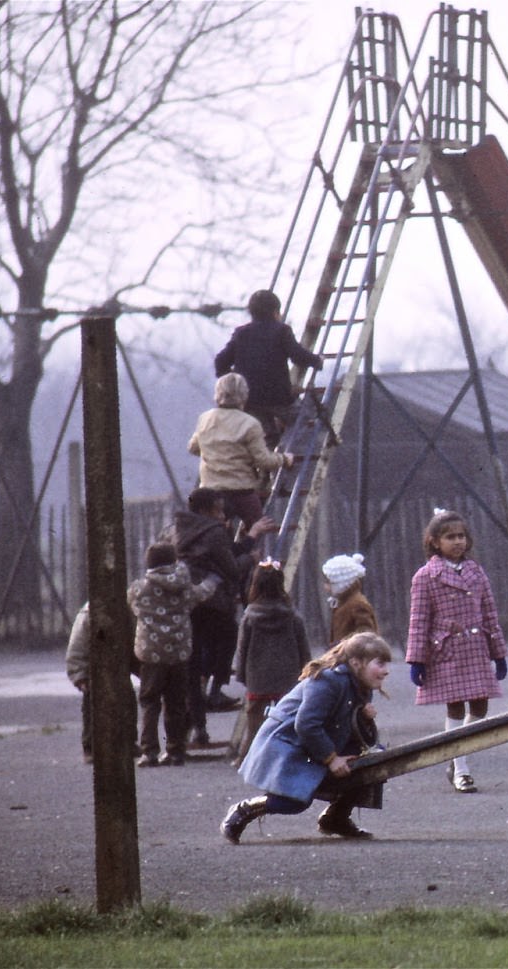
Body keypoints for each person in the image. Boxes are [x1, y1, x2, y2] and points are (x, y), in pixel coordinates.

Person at [222, 631, 392, 843]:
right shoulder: (328, 680)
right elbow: (306, 725)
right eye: (380, 664)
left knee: (376, 761)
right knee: (293, 803)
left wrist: (364, 719)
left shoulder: (361, 685)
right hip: (289, 745)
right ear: (356, 663)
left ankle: (336, 818)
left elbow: (353, 734)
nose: (386, 671)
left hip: (315, 745)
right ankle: (244, 810)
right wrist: (331, 759)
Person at [405, 509, 508, 793]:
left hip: (476, 649)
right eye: (450, 537)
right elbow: (418, 621)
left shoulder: (477, 572)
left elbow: (489, 613)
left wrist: (498, 653)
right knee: (455, 707)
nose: (458, 542)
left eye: (461, 536)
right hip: (447, 652)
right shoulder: (425, 576)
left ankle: (455, 757)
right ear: (435, 542)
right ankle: (461, 769)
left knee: (480, 709)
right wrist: (417, 660)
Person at [172, 487, 278, 746]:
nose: (222, 516)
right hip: (214, 602)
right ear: (206, 511)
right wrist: (251, 559)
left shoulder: (183, 528)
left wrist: (249, 538)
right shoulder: (215, 531)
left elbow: (220, 553)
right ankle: (217, 689)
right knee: (230, 637)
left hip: (189, 602)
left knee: (193, 667)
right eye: (218, 510)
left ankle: (199, 729)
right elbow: (230, 567)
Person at [127, 542, 220, 767]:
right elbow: (201, 594)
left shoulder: (139, 589)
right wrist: (213, 580)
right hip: (179, 653)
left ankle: (149, 751)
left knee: (149, 701)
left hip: (151, 655)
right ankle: (175, 750)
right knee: (176, 702)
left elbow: (131, 603)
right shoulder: (183, 586)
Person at [187, 372, 298, 530]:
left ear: (218, 394)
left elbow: (193, 447)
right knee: (257, 526)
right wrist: (284, 459)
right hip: (241, 491)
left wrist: (215, 452)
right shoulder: (250, 424)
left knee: (212, 533)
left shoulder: (205, 419)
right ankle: (251, 551)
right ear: (244, 396)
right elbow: (263, 461)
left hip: (211, 490)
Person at [213, 289, 323, 449]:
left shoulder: (241, 334)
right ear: (275, 312)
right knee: (306, 417)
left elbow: (220, 362)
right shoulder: (281, 330)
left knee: (265, 434)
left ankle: (266, 464)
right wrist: (317, 361)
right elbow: (297, 355)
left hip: (249, 399)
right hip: (279, 397)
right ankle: (286, 449)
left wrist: (234, 383)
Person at [232, 559, 313, 765]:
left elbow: (242, 649)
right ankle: (290, 756)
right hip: (288, 677)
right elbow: (303, 648)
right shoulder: (293, 616)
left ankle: (248, 758)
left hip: (257, 677)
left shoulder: (250, 616)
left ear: (255, 585)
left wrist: (242, 674)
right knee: (289, 718)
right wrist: (307, 672)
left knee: (255, 721)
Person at [323, 552, 379, 645]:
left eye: (330, 582)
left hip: (354, 658)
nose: (326, 587)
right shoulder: (342, 603)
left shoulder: (358, 605)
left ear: (342, 582)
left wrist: (343, 645)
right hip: (344, 657)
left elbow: (366, 635)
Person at [63, 602, 93, 763]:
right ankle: (90, 746)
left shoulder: (124, 610)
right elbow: (77, 648)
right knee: (91, 709)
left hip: (117, 671)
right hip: (93, 672)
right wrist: (80, 675)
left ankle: (127, 742)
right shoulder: (88, 614)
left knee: (126, 705)